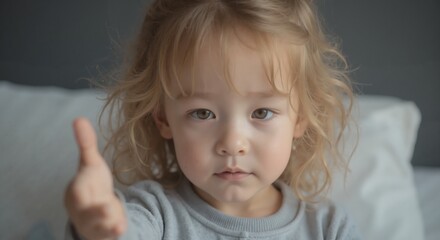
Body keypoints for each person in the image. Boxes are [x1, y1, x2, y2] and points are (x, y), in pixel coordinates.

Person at [65, 0, 361, 239]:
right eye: (202, 113)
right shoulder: (154, 215)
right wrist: (98, 227)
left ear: (301, 118)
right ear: (163, 118)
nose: (232, 144)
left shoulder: (329, 229)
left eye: (262, 112)